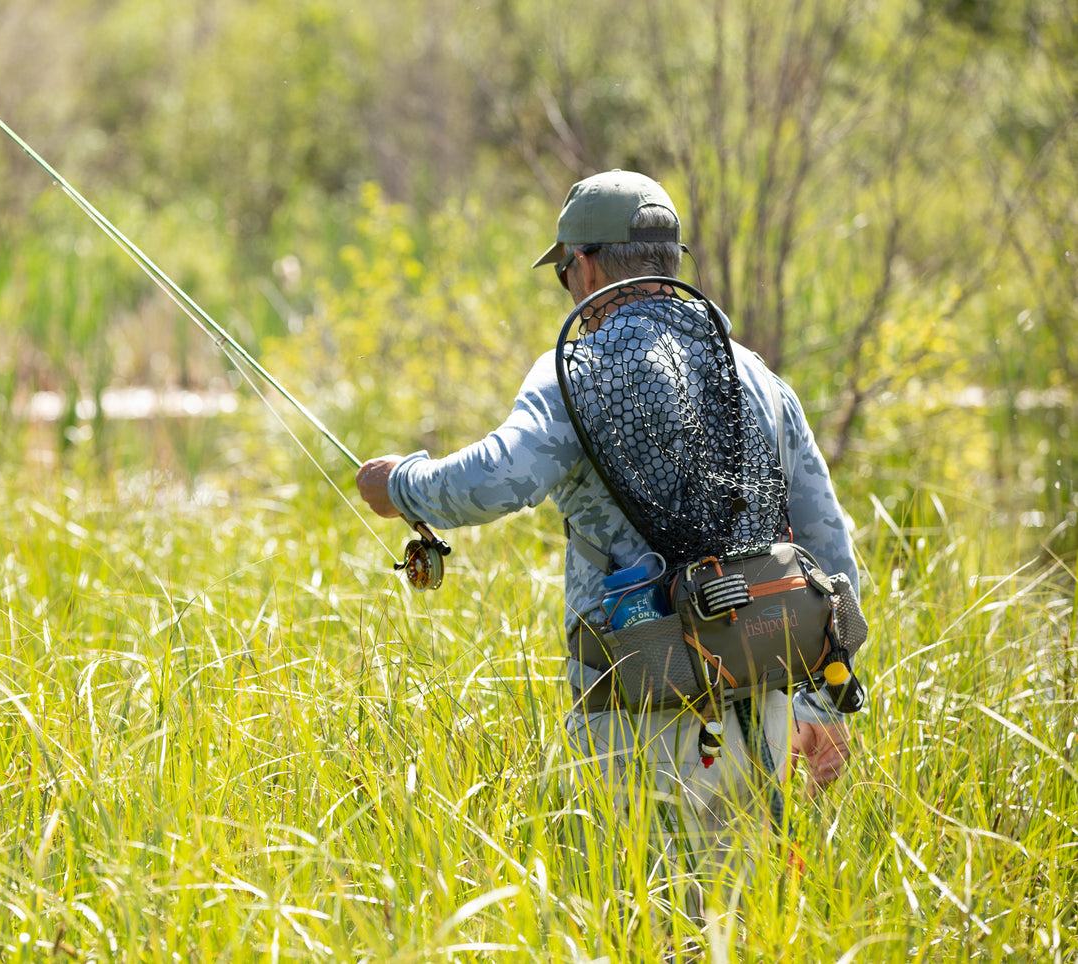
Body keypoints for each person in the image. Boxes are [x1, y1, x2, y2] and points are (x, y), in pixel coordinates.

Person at [355, 169, 860, 855]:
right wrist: (822, 703)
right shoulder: (755, 373)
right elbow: (828, 543)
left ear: (584, 265)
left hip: (634, 702)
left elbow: (499, 477)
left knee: (633, 913)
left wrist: (401, 485)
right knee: (739, 918)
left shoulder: (576, 367)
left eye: (563, 270)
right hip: (763, 699)